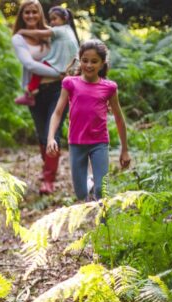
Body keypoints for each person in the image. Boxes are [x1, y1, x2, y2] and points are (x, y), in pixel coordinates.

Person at [47, 39, 131, 201]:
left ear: (102, 63)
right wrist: (51, 138)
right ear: (80, 59)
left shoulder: (109, 87)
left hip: (99, 142)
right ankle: (90, 182)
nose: (89, 65)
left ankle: (104, 224)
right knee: (81, 193)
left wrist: (125, 149)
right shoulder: (70, 83)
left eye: (94, 61)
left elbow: (120, 119)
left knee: (102, 190)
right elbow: (57, 113)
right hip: (76, 143)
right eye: (85, 60)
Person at [11, 0, 68, 195]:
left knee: (53, 132)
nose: (31, 16)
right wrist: (58, 72)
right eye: (27, 13)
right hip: (35, 93)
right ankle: (48, 170)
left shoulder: (51, 34)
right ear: (22, 15)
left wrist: (65, 75)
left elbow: (67, 50)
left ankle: (48, 179)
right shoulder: (18, 39)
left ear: (40, 14)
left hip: (58, 91)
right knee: (42, 135)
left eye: (34, 12)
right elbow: (30, 64)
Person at [14, 6, 79, 106]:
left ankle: (30, 93)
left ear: (64, 19)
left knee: (39, 68)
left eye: (54, 19)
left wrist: (23, 32)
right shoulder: (69, 30)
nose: (52, 23)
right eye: (50, 20)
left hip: (60, 64)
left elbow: (40, 33)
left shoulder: (60, 30)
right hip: (68, 63)